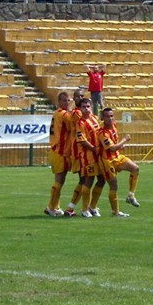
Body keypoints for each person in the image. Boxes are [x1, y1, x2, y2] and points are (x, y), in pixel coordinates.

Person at [98, 107, 141, 217]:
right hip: (107, 161)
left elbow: (115, 145)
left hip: (117, 157)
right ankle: (115, 212)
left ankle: (131, 196)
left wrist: (120, 145)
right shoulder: (102, 132)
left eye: (111, 116)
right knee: (113, 186)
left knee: (135, 169)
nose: (110, 118)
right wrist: (124, 140)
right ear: (102, 118)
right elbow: (111, 148)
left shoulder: (114, 126)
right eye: (107, 116)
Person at [45, 91, 74, 217]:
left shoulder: (57, 113)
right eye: (64, 100)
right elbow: (73, 126)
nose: (67, 103)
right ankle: (51, 207)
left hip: (58, 150)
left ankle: (55, 206)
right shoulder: (63, 114)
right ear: (59, 102)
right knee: (59, 179)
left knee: (60, 180)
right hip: (60, 151)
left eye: (68, 100)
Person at [76, 97, 105, 218]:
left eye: (88, 106)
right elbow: (82, 140)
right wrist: (94, 148)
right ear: (80, 109)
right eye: (84, 107)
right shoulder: (80, 123)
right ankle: (84, 209)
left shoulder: (94, 118)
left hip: (99, 155)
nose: (86, 109)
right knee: (89, 181)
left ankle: (93, 206)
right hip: (88, 156)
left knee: (102, 179)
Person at [64, 88, 86, 217]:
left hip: (82, 150)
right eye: (77, 96)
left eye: (82, 95)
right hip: (79, 150)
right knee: (84, 180)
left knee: (86, 180)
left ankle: (85, 206)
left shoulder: (79, 112)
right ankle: (71, 208)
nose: (80, 97)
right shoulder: (77, 113)